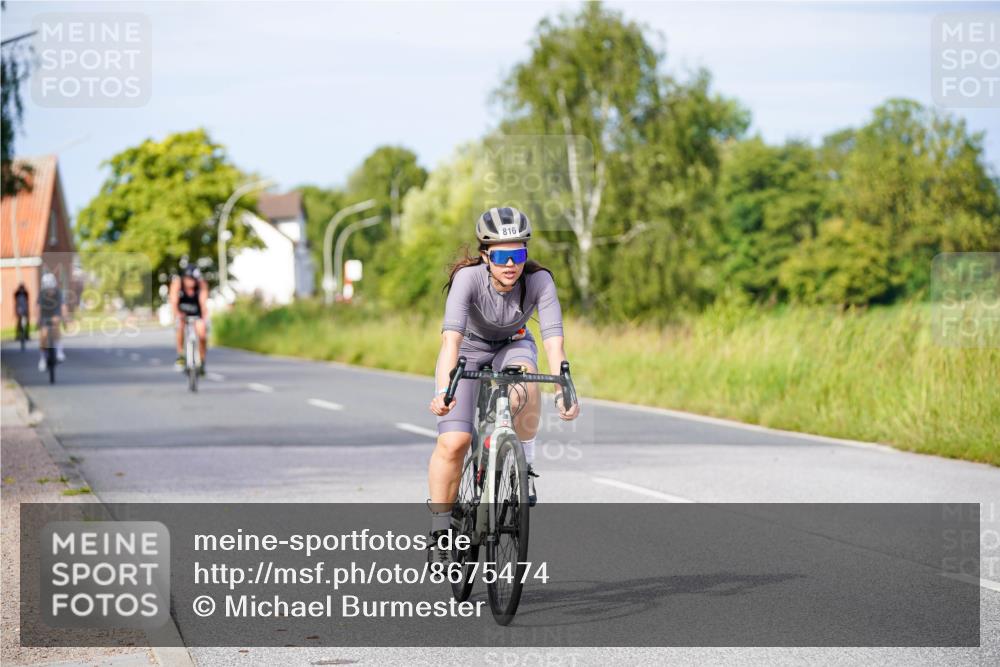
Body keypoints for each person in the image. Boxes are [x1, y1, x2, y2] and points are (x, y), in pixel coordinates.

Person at [426, 206, 580, 563]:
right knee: (454, 441)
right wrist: (443, 392)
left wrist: (564, 392)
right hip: (468, 350)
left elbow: (555, 344)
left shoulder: (539, 281)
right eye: (501, 256)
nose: (511, 264)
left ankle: (523, 464)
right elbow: (450, 341)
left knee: (525, 383)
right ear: (485, 256)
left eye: (519, 254)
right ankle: (439, 526)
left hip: (514, 344)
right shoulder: (468, 280)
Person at [169, 265, 209, 375]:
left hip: (196, 312)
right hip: (181, 311)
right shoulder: (177, 283)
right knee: (180, 326)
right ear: (185, 278)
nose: (192, 282)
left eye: (194, 280)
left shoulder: (201, 284)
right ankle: (181, 355)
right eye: (189, 279)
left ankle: (202, 361)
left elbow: (203, 304)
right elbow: (173, 302)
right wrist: (177, 314)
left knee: (202, 334)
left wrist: (203, 318)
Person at [37, 273, 66, 371]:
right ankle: (42, 359)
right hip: (44, 315)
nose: (50, 291)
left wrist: (65, 319)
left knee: (56, 323)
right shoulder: (41, 294)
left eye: (51, 288)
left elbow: (63, 306)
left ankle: (59, 351)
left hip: (55, 314)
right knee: (43, 335)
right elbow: (38, 307)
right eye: (47, 289)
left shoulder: (58, 293)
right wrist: (38, 320)